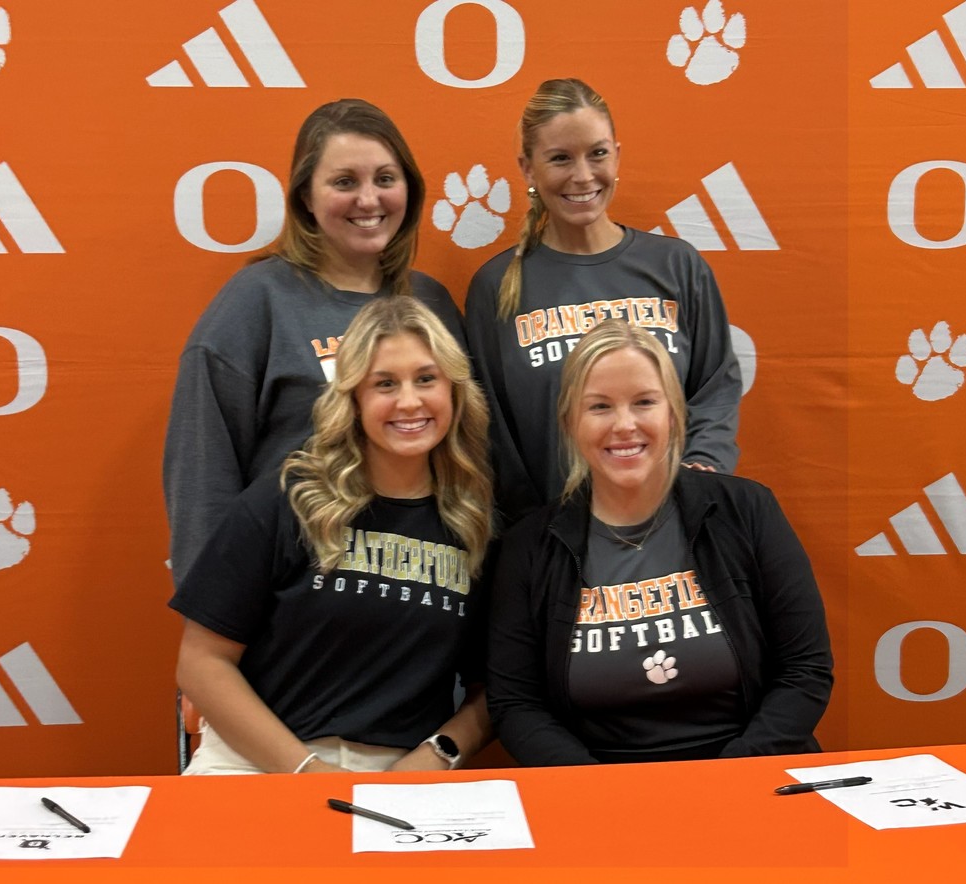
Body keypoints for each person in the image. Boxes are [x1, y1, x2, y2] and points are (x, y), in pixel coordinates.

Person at [169, 297, 493, 774]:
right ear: (354, 398)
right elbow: (201, 662)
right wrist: (304, 771)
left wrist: (437, 755)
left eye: (426, 379)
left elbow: (497, 688)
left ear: (454, 392)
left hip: (400, 773)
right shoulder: (287, 499)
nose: (409, 401)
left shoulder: (475, 524)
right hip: (256, 760)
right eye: (385, 384)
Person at [486, 319, 831, 766]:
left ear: (674, 412)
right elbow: (517, 705)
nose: (625, 425)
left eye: (644, 402)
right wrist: (602, 793)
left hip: (750, 776)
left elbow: (806, 672)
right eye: (600, 407)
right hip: (601, 794)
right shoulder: (529, 546)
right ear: (569, 421)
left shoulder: (747, 511)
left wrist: (725, 781)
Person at [164, 98, 465, 586]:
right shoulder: (255, 303)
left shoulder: (432, 303)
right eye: (345, 182)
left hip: (425, 589)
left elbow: (469, 456)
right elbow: (203, 477)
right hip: (298, 595)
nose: (369, 200)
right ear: (305, 195)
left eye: (385, 179)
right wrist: (214, 615)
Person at [466, 78, 741, 525]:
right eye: (560, 158)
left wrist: (698, 478)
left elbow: (715, 389)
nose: (583, 176)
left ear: (618, 153)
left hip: (677, 526)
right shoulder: (496, 287)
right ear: (528, 169)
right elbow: (491, 432)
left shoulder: (677, 267)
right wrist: (537, 535)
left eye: (597, 153)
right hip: (556, 541)